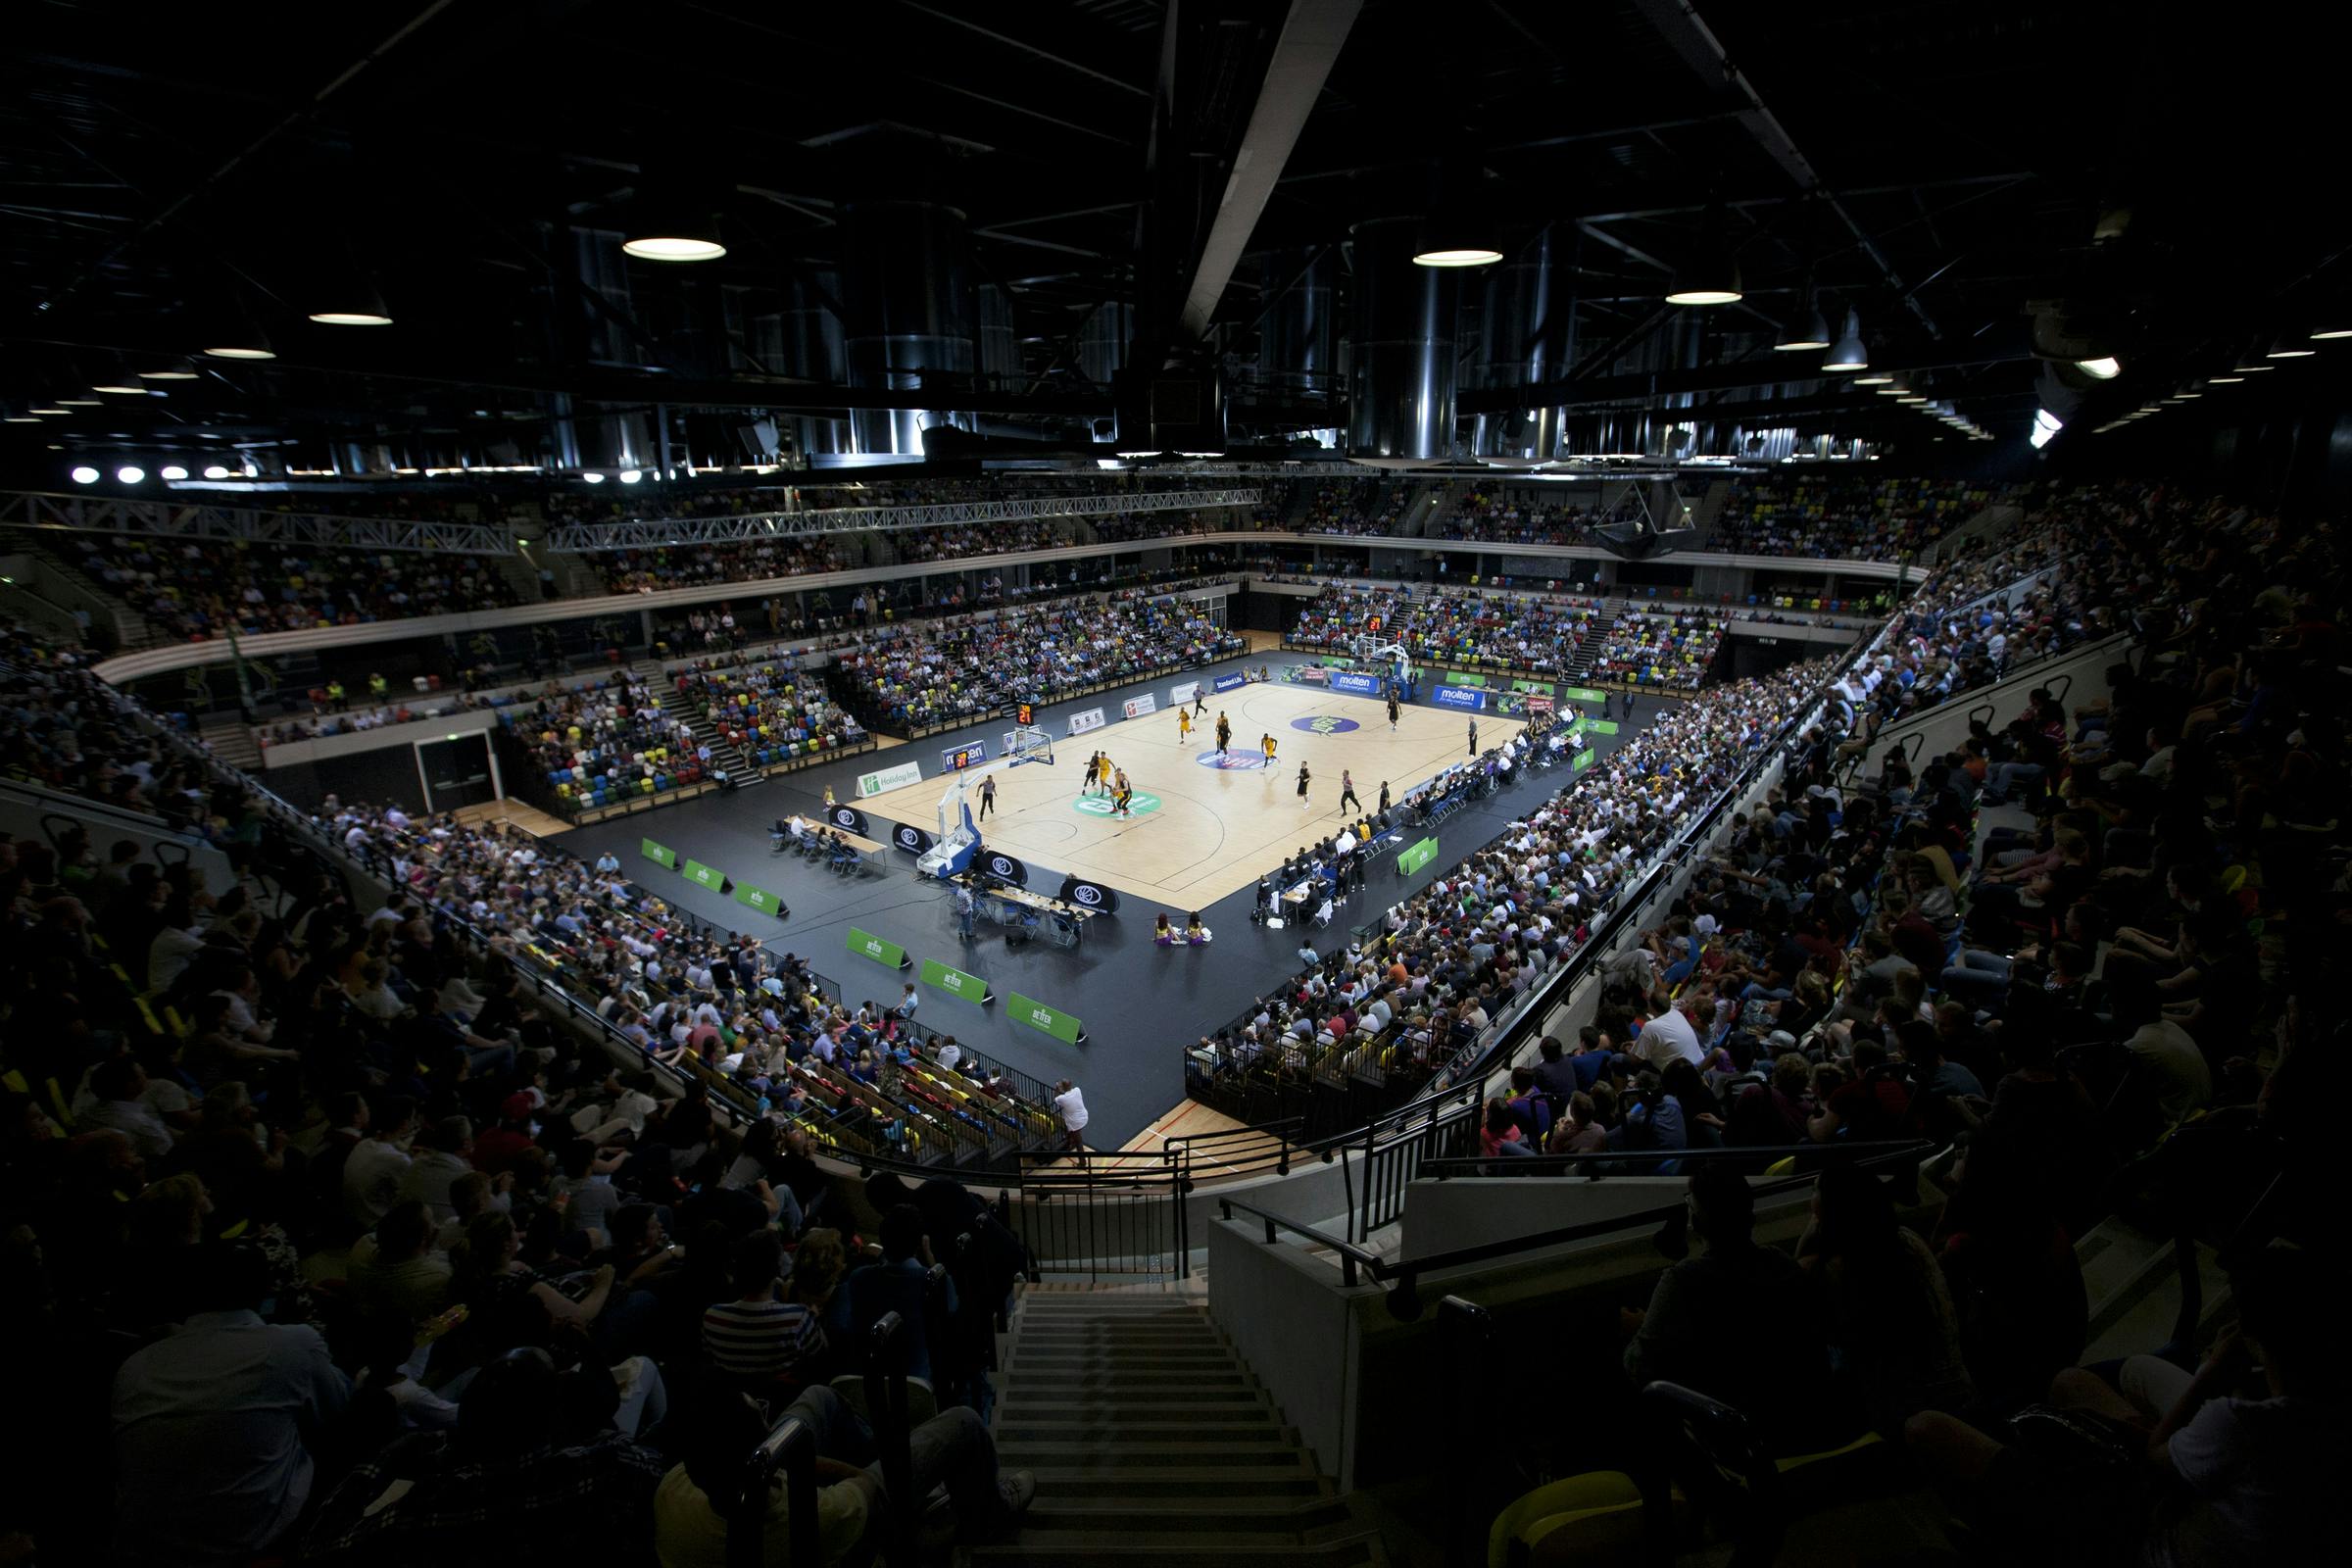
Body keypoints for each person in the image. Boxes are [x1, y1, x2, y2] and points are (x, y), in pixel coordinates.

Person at [112, 1243, 353, 1566]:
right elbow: (340, 1406)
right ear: (263, 1289)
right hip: (251, 1544)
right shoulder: (292, 1344)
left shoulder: (135, 1366)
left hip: (146, 1546)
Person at [1623, 1166, 1843, 1450]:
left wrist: (1639, 1328)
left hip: (1739, 1441)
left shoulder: (1683, 1280)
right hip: (1811, 1423)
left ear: (1697, 1222)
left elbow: (1638, 1365)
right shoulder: (1779, 1263)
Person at [1052, 1080, 1089, 1152]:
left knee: (1079, 1143)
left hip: (1075, 1123)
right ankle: (1070, 1140)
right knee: (1072, 1132)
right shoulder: (1077, 1090)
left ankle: (1082, 1162)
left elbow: (1055, 1099)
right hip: (1084, 1117)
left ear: (1062, 1087)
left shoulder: (1062, 1098)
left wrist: (1057, 1088)